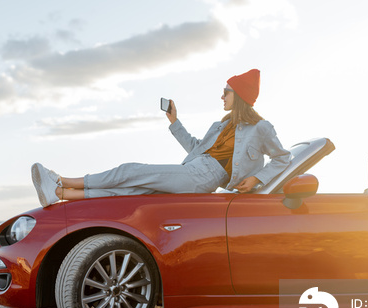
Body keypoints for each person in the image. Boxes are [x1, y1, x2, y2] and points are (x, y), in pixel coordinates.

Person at [31, 69, 291, 207]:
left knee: (131, 171)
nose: (222, 96)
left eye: (226, 91)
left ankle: (61, 178)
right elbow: (195, 148)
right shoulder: (221, 125)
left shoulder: (261, 128)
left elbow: (283, 158)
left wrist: (258, 177)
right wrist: (174, 121)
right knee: (133, 190)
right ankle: (59, 193)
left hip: (205, 178)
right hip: (193, 169)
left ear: (241, 96)